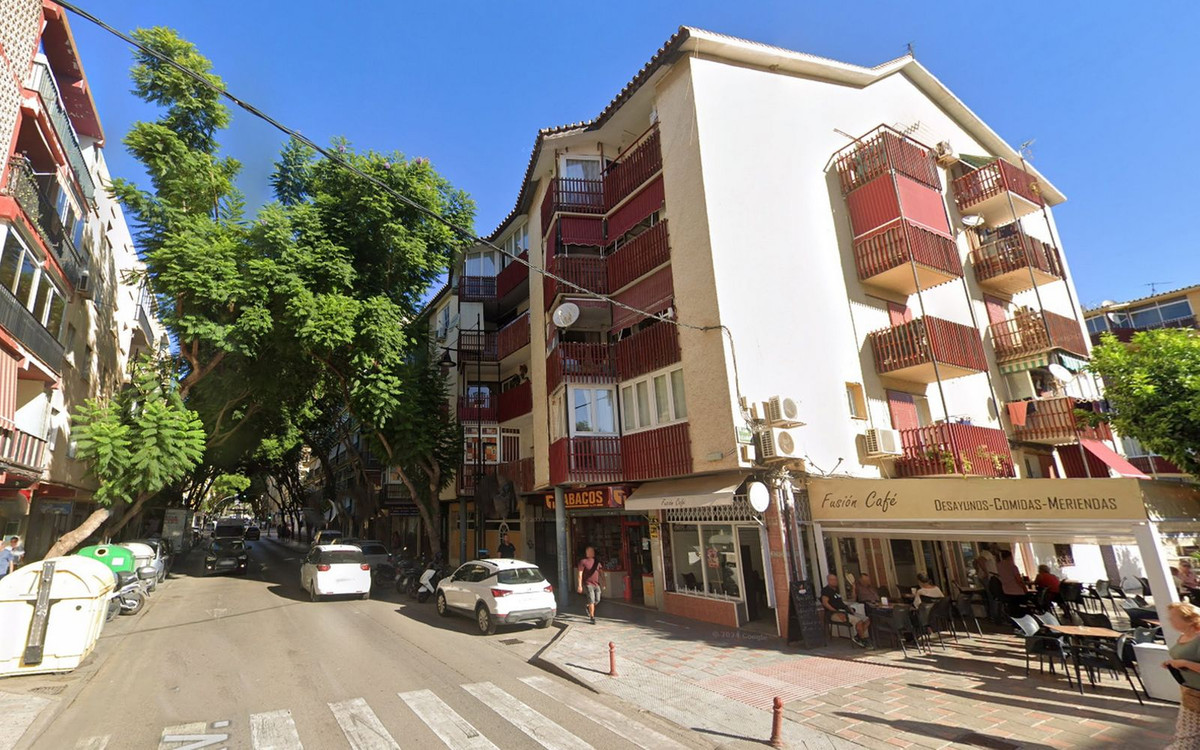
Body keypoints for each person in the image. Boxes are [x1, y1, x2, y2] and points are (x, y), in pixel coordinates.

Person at [1164, 601, 1200, 747]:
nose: (1170, 620)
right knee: (1187, 734)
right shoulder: (1183, 637)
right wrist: (1173, 664)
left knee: (1187, 737)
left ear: (1189, 620)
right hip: (1190, 693)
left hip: (1196, 694)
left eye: (1173, 617)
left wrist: (1184, 663)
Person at [820, 574, 869, 648]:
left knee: (867, 619)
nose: (835, 581)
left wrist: (848, 607)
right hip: (834, 613)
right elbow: (825, 603)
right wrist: (836, 611)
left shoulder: (837, 590)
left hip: (846, 611)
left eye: (835, 579)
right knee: (858, 621)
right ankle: (863, 640)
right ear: (828, 581)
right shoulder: (826, 590)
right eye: (832, 580)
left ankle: (858, 637)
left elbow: (851, 600)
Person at [997, 549, 1028, 616]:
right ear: (1010, 557)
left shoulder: (998, 566)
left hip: (1006, 590)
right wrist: (1024, 588)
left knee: (1012, 609)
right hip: (1017, 591)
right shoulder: (1012, 566)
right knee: (1021, 609)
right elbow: (1018, 579)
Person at [576, 546, 603, 624]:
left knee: (597, 599)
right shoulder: (583, 562)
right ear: (587, 553)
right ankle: (592, 617)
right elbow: (580, 574)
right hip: (588, 584)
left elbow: (601, 572)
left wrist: (604, 582)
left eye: (593, 551)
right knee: (591, 599)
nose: (592, 552)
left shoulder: (597, 562)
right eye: (590, 551)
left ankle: (588, 606)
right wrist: (580, 585)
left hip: (596, 584)